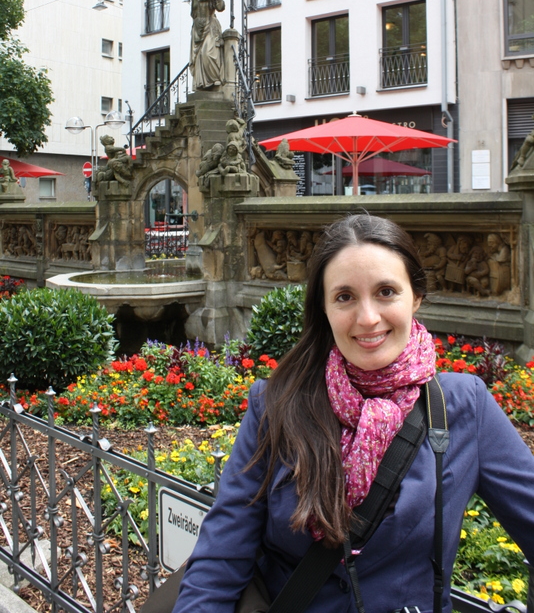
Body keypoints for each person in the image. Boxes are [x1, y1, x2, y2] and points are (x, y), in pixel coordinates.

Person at [173, 214, 534, 613]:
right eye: (345, 297)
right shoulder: (275, 404)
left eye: (386, 292)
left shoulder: (464, 406)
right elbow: (219, 562)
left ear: (416, 296)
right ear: (324, 308)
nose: (368, 318)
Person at [189, 0, 226, 90]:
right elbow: (193, 14)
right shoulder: (194, 0)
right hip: (197, 31)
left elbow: (221, 7)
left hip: (209, 26)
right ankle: (201, 83)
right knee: (198, 57)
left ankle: (214, 79)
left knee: (208, 53)